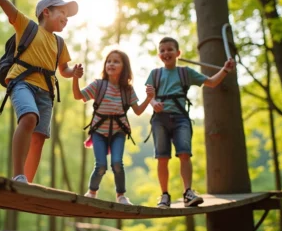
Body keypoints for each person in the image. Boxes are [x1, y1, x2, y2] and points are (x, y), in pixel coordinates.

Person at [0, 0, 83, 184]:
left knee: (39, 138)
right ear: (46, 11)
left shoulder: (60, 44)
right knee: (28, 118)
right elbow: (3, 0)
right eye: (62, 13)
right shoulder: (27, 26)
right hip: (22, 83)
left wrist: (72, 73)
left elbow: (62, 70)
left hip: (46, 93)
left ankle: (28, 184)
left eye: (68, 15)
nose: (66, 18)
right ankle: (18, 175)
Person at [145, 37, 235, 208]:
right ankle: (164, 196)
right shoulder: (155, 74)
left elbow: (212, 82)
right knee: (162, 157)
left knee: (185, 154)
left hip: (181, 118)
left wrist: (224, 70)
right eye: (162, 50)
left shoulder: (186, 72)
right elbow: (150, 96)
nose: (166, 53)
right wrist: (154, 103)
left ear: (178, 53)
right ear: (159, 55)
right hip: (160, 120)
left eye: (170, 49)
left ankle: (188, 193)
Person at [73, 50, 155, 205]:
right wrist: (75, 78)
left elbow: (138, 111)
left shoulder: (127, 90)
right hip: (98, 132)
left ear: (124, 67)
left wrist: (149, 98)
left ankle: (121, 196)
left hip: (118, 132)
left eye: (116, 61)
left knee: (117, 163)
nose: (111, 64)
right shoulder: (99, 85)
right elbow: (78, 96)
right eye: (109, 61)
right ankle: (92, 192)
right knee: (101, 165)